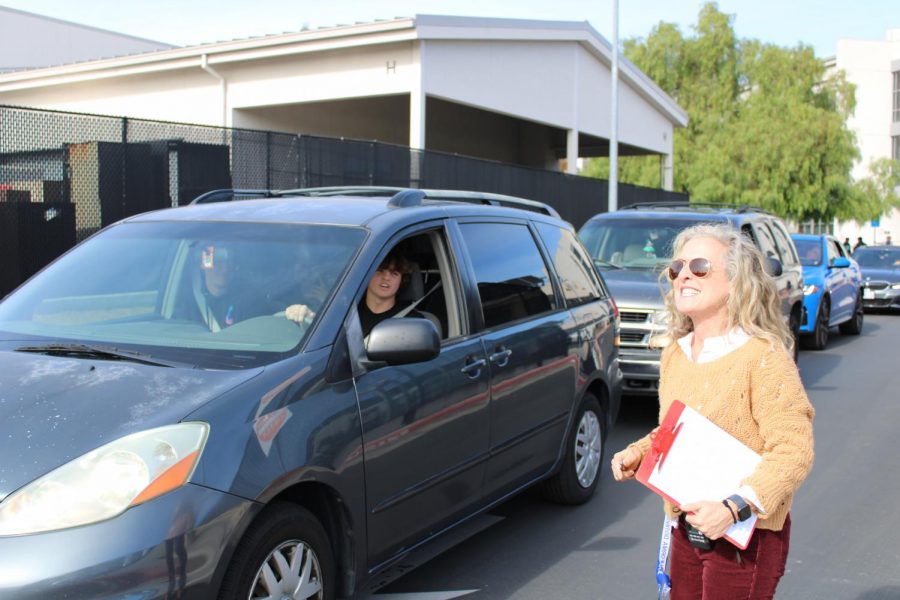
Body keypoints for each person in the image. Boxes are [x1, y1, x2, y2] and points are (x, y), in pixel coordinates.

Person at [610, 223, 815, 599]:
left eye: (700, 266)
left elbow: (793, 452)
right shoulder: (676, 352)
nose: (684, 274)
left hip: (745, 538)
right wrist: (638, 452)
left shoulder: (763, 357)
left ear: (736, 282)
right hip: (686, 527)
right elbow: (673, 431)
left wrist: (734, 508)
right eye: (677, 267)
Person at [286, 247, 424, 336]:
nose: (386, 277)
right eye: (380, 271)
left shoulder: (412, 321)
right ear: (367, 275)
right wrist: (304, 316)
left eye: (394, 273)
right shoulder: (345, 312)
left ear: (402, 280)